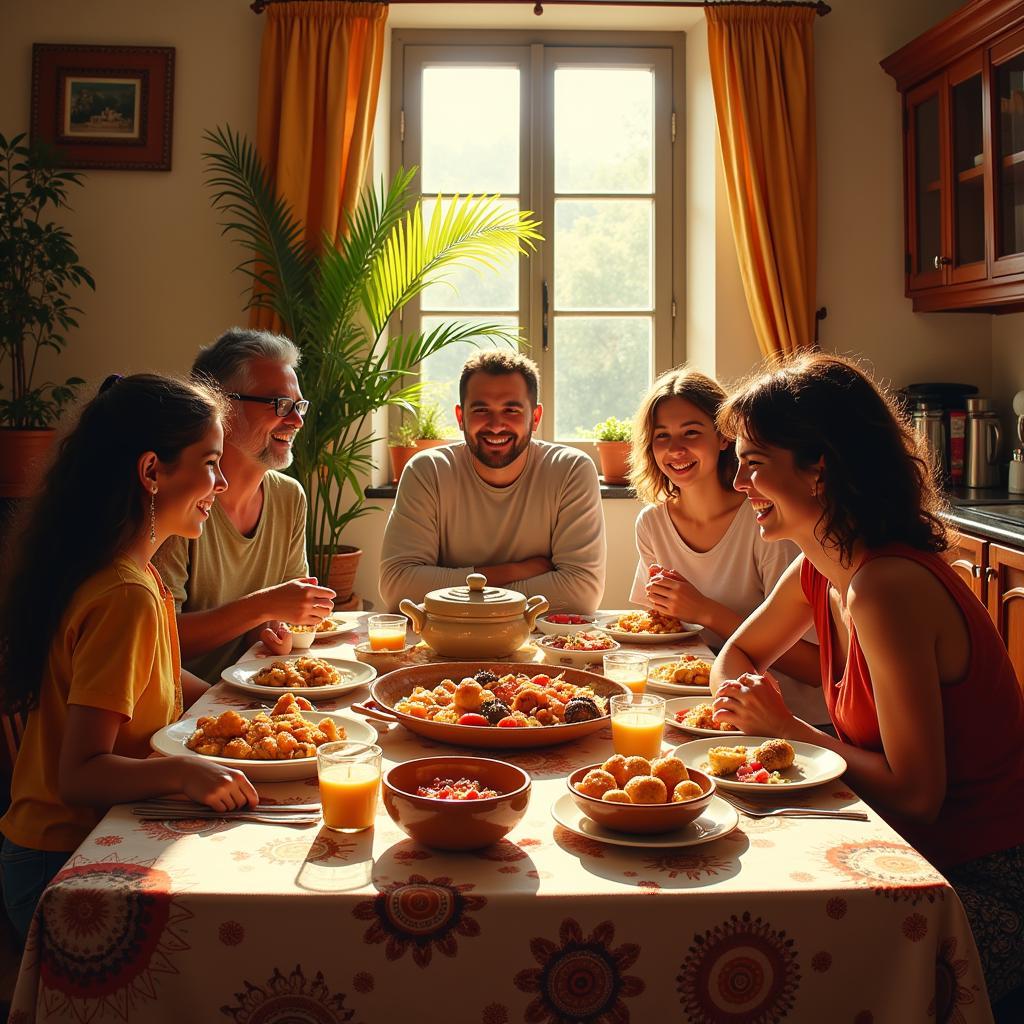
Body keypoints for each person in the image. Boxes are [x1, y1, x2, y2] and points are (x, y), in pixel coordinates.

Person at [709, 352, 1024, 1014]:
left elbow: (917, 798)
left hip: (976, 884)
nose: (738, 482)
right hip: (902, 853)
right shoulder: (823, 567)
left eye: (755, 462)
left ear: (819, 466)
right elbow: (736, 658)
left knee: (765, 959)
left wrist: (784, 732)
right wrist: (751, 718)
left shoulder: (885, 586)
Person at [0, 374, 259, 941]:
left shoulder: (128, 572)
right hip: (62, 866)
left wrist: (260, 713)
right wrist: (183, 772)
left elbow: (165, 680)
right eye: (210, 462)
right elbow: (79, 775)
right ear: (151, 472)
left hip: (65, 847)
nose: (220, 483)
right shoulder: (125, 595)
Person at [628, 368, 826, 724]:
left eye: (691, 432)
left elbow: (815, 668)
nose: (675, 449)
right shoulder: (652, 524)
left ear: (723, 438)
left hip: (791, 717)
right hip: (699, 705)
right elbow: (658, 633)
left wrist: (706, 612)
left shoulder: (768, 521)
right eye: (662, 436)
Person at [154, 328, 335, 682]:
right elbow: (160, 640)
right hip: (180, 712)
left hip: (252, 696)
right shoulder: (180, 503)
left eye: (299, 406)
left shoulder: (289, 496)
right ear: (220, 405)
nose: (297, 420)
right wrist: (262, 606)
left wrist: (270, 628)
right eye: (280, 404)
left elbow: (282, 619)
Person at [379, 350, 605, 611]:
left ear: (535, 417)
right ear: (461, 417)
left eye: (511, 410)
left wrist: (458, 590)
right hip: (447, 643)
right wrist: (513, 571)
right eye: (481, 410)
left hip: (541, 644)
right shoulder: (428, 471)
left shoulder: (570, 470)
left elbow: (579, 596)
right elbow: (398, 589)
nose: (496, 425)